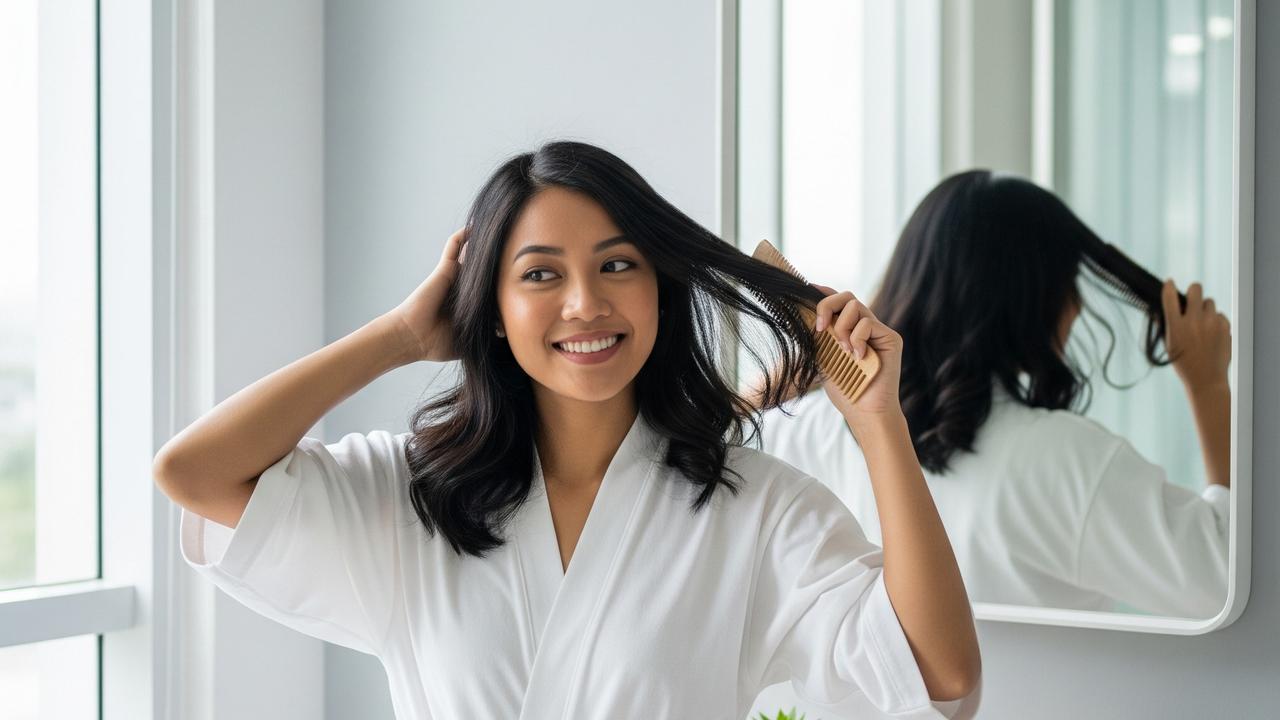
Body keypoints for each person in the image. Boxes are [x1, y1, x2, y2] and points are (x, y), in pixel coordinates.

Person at [154, 142, 981, 718]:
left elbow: (938, 676)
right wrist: (401, 337)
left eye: (618, 264)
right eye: (541, 274)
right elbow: (194, 473)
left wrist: (880, 428)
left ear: (660, 288)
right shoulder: (413, 497)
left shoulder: (754, 509)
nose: (586, 303)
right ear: (493, 307)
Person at [758, 170, 1232, 618]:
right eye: (1068, 284)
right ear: (1033, 300)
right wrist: (1209, 388)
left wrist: (769, 392)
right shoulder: (1064, 462)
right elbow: (1229, 582)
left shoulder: (803, 431)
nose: (1078, 305)